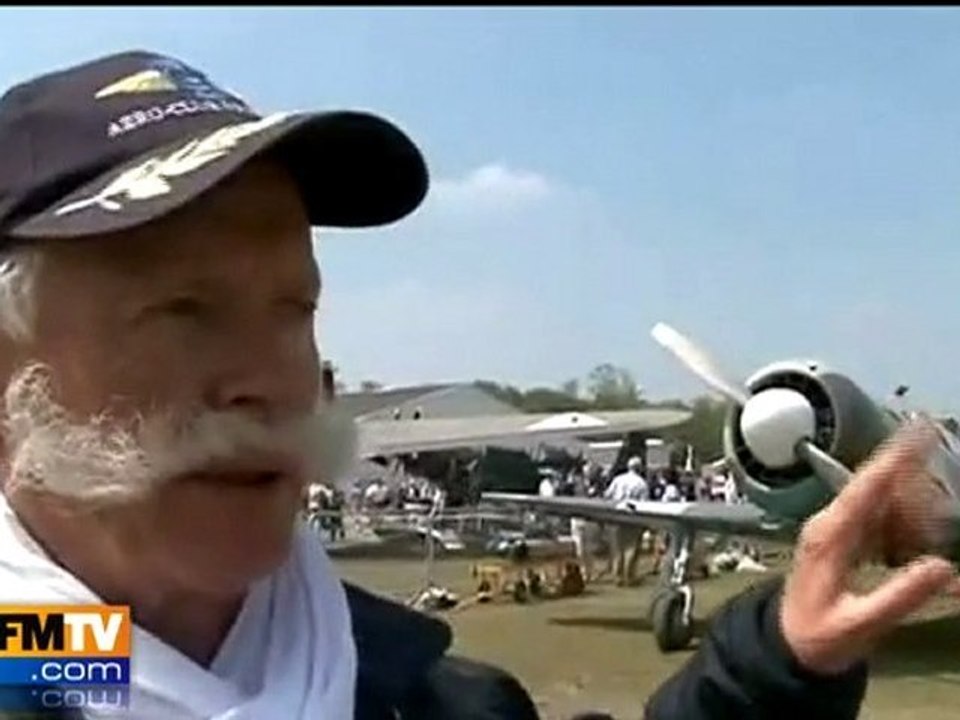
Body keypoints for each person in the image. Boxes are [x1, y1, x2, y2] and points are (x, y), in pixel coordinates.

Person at [0, 50, 952, 720]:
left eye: (295, 310)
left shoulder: (429, 692)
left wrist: (778, 662)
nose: (269, 382)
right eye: (183, 309)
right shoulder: (37, 667)